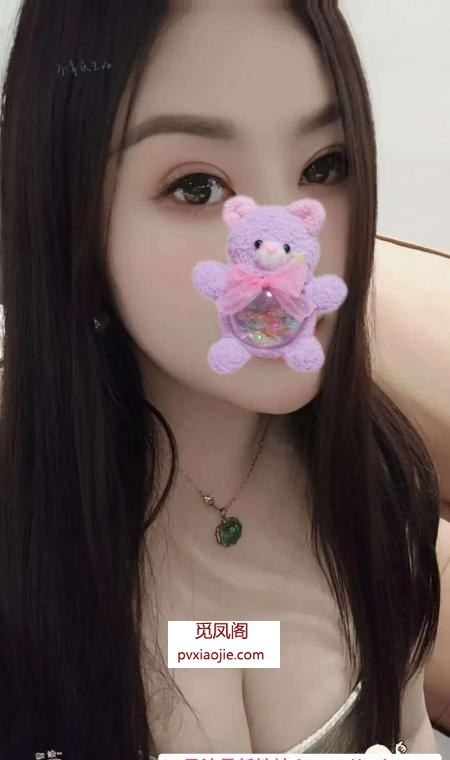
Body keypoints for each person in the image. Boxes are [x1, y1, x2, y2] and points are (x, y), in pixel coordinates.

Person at [0, 1, 447, 757]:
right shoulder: (28, 541)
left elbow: (411, 733)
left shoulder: (378, 488)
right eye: (198, 187)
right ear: (68, 207)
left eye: (324, 167)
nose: (291, 249)